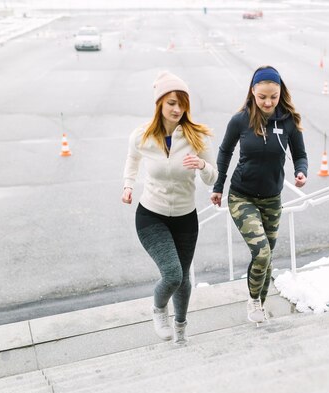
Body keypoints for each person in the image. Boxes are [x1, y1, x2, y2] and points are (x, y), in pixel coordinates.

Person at [122, 71, 218, 344]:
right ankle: (159, 309)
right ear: (160, 104)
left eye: (182, 103)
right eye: (172, 103)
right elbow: (132, 160)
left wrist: (202, 166)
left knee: (184, 279)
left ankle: (181, 326)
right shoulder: (141, 136)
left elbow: (214, 176)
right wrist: (128, 185)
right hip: (151, 215)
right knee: (173, 274)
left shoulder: (197, 137)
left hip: (185, 218)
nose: (177, 109)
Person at [211, 65, 308, 324]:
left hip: (272, 199)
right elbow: (224, 152)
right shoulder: (240, 120)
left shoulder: (288, 120)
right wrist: (218, 186)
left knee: (266, 256)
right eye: (262, 96)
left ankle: (260, 305)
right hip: (242, 196)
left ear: (280, 93)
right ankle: (254, 300)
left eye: (273, 97)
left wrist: (301, 172)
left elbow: (300, 154)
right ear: (253, 91)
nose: (268, 102)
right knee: (262, 252)